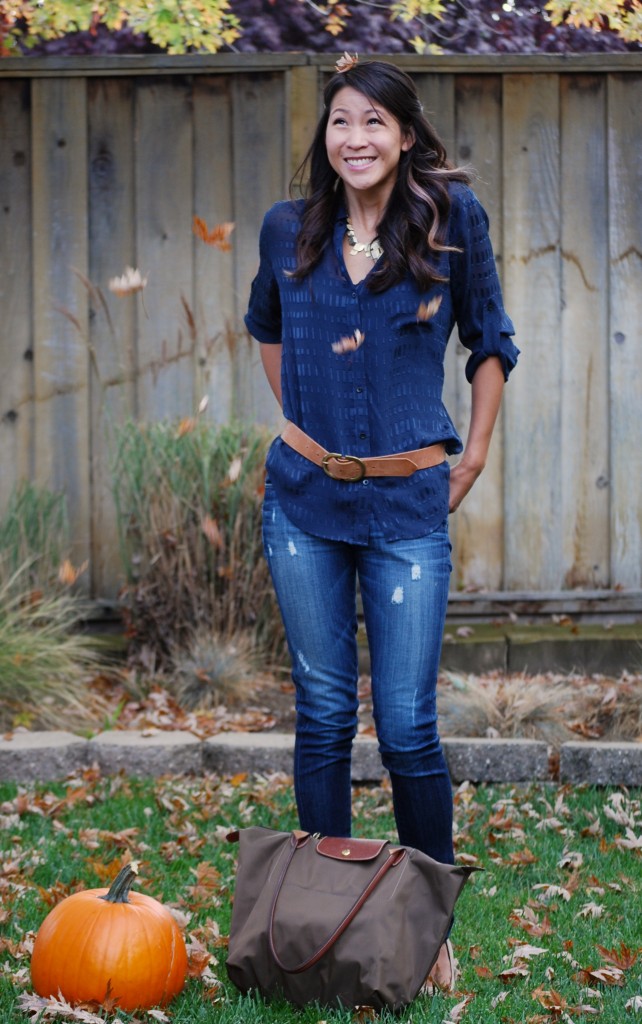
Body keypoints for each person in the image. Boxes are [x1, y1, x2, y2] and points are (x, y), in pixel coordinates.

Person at [245, 57, 519, 992]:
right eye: (338, 123)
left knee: (404, 726)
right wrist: (311, 433)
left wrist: (470, 456)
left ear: (405, 135)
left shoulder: (450, 225)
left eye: (373, 122)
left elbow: (491, 341)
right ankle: (318, 924)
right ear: (324, 139)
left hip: (408, 504)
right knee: (322, 716)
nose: (353, 138)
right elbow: (270, 334)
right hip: (304, 505)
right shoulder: (290, 232)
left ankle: (426, 932)